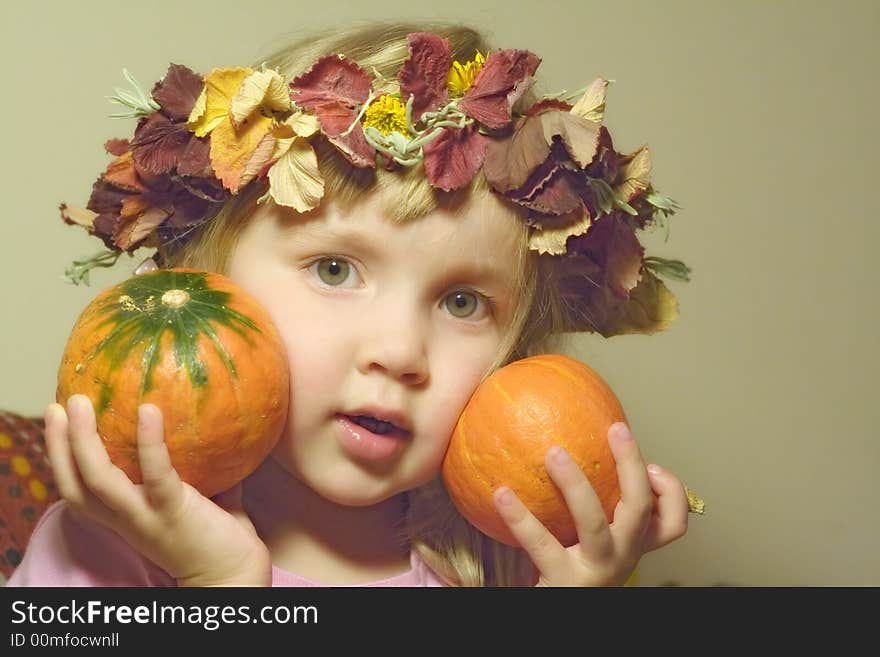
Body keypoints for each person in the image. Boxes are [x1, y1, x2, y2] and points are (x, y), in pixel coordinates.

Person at [8, 21, 693, 587]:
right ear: (201, 274)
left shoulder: (506, 567)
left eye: (461, 302)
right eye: (334, 269)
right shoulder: (110, 544)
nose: (398, 352)